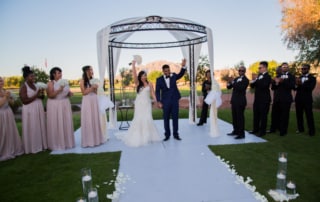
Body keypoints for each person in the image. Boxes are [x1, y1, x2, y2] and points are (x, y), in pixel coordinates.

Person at [118, 60, 161, 147]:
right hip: (139, 104)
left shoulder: (150, 84)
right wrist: (133, 65)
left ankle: (148, 136)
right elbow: (134, 74)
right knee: (139, 118)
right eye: (141, 76)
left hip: (147, 104)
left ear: (146, 76)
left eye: (144, 75)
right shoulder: (138, 84)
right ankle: (138, 136)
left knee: (148, 118)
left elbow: (153, 94)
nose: (143, 77)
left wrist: (156, 101)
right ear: (139, 77)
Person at [156, 59, 187, 141]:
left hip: (174, 101)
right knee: (166, 119)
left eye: (168, 70)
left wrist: (183, 66)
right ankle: (167, 135)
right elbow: (157, 91)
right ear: (163, 71)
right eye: (166, 71)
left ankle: (176, 134)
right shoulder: (159, 80)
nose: (168, 72)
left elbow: (181, 74)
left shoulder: (173, 75)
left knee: (175, 118)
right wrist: (158, 101)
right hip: (165, 102)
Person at [19, 66, 47, 153]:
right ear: (26, 77)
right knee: (32, 126)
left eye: (34, 76)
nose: (33, 78)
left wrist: (42, 93)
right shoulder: (24, 87)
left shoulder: (36, 85)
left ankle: (41, 144)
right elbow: (25, 101)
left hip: (38, 107)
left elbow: (41, 97)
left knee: (39, 125)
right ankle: (32, 146)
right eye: (31, 76)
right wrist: (36, 94)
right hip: (29, 109)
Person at [46, 67, 75, 150]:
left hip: (65, 104)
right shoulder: (50, 83)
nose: (61, 74)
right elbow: (50, 95)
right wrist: (59, 90)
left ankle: (67, 142)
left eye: (61, 73)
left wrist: (69, 93)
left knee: (66, 122)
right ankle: (57, 143)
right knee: (56, 122)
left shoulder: (64, 82)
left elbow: (66, 92)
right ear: (53, 74)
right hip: (55, 105)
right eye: (58, 73)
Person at [80, 65, 105, 147]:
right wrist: (91, 87)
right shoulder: (82, 81)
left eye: (92, 69)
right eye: (90, 70)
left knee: (94, 118)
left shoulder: (92, 80)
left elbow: (95, 93)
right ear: (86, 71)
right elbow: (83, 92)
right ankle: (88, 141)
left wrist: (95, 88)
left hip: (94, 100)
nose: (92, 71)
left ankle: (96, 139)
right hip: (87, 101)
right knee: (88, 119)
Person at [0, 76, 24, 161]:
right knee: (2, 132)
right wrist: (5, 97)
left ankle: (11, 148)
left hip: (8, 113)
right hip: (1, 114)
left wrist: (9, 97)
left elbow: (12, 103)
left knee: (9, 132)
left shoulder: (5, 91)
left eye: (2, 80)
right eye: (0, 81)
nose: (1, 82)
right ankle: (3, 151)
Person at [272, 62, 295, 136]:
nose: (284, 68)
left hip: (286, 99)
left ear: (288, 68)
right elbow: (273, 88)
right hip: (277, 99)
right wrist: (275, 83)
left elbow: (292, 86)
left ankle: (283, 131)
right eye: (283, 67)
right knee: (276, 115)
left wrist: (283, 81)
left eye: (286, 67)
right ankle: (275, 128)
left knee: (285, 115)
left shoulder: (291, 76)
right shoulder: (278, 76)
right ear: (281, 68)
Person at [249, 61, 271, 137]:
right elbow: (252, 86)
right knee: (256, 115)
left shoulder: (268, 76)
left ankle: (262, 131)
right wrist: (252, 81)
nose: (259, 69)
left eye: (260, 67)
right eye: (259, 68)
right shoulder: (259, 76)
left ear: (265, 68)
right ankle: (255, 129)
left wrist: (256, 80)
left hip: (264, 99)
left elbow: (264, 85)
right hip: (257, 99)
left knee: (263, 116)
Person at [226, 66, 249, 139]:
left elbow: (240, 88)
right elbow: (229, 87)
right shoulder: (236, 79)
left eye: (242, 71)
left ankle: (241, 134)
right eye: (239, 70)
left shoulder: (246, 80)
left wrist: (233, 82)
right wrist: (229, 82)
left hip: (240, 101)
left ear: (244, 71)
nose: (240, 72)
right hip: (234, 100)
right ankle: (235, 130)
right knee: (234, 117)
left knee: (240, 118)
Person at [294, 64, 316, 136]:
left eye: (305, 69)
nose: (303, 70)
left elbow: (310, 88)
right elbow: (295, 89)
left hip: (307, 100)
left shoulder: (312, 78)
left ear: (308, 69)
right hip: (298, 99)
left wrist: (301, 84)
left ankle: (311, 131)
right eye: (302, 69)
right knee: (299, 115)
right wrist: (296, 84)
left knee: (309, 115)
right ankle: (300, 129)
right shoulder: (299, 77)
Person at [267, 66, 282, 133]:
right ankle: (273, 129)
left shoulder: (284, 77)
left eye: (278, 70)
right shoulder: (275, 77)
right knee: (274, 114)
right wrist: (275, 82)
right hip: (276, 98)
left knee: (282, 115)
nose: (276, 71)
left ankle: (280, 128)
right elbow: (273, 88)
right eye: (276, 70)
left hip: (283, 99)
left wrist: (280, 82)